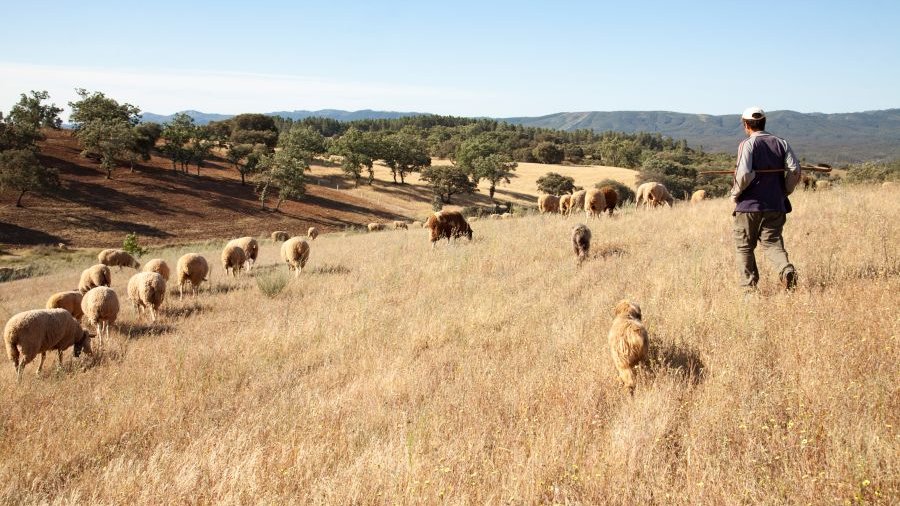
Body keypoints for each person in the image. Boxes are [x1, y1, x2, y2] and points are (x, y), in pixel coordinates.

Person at [730, 106, 801, 292]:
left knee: (744, 246)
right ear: (763, 122)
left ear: (746, 125)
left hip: (749, 206)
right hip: (775, 204)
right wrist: (784, 191)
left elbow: (744, 174)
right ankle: (786, 269)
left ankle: (749, 290)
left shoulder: (747, 144)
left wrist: (735, 194)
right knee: (772, 242)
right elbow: (795, 171)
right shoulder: (781, 142)